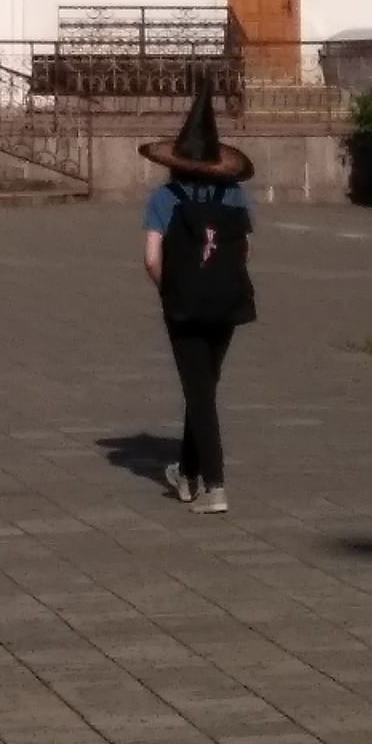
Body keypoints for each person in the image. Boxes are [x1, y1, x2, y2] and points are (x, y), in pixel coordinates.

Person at [139, 78, 256, 516]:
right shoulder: (236, 197)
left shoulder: (163, 199)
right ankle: (186, 474)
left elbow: (151, 258)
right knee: (204, 385)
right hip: (227, 301)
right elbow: (246, 249)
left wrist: (172, 290)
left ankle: (216, 486)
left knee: (200, 393)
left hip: (184, 303)